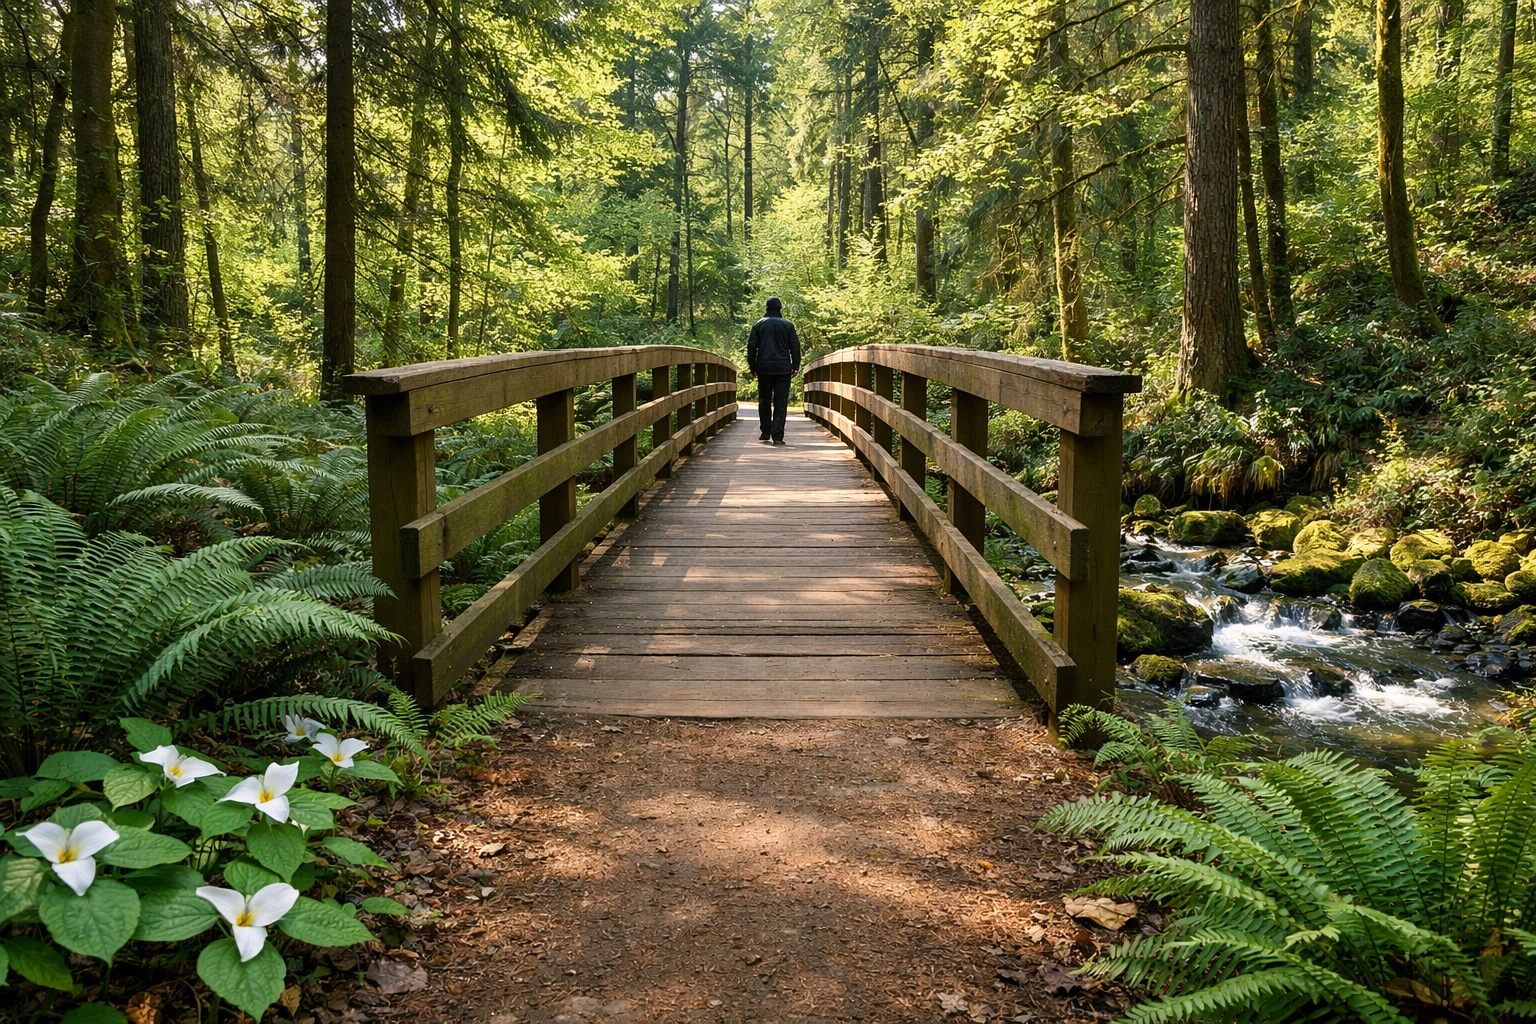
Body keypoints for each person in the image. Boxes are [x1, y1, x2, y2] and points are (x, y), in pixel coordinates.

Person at [746, 296, 801, 445]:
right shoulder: (788, 325)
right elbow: (794, 346)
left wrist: (753, 366)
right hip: (783, 368)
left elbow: (751, 346)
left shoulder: (758, 325)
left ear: (767, 308)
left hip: (764, 368)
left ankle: (765, 431)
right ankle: (777, 436)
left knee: (764, 400)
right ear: (780, 308)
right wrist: (796, 365)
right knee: (780, 401)